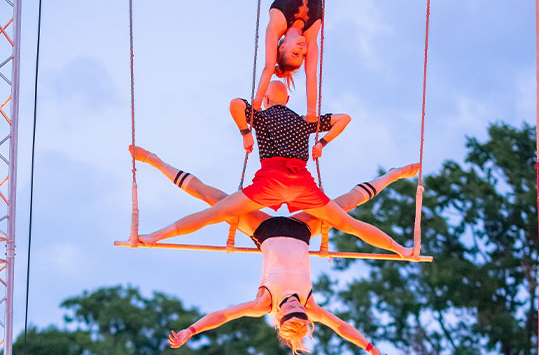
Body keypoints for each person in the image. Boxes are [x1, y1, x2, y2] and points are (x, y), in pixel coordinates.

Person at [128, 145, 416, 355]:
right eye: (299, 310)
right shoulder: (310, 305)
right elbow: (341, 327)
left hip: (264, 231)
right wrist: (371, 348)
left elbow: (224, 315)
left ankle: (156, 161)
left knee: (213, 200)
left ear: (279, 318)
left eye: (290, 310)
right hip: (303, 230)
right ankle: (392, 175)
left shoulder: (263, 303)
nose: (294, 304)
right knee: (348, 205)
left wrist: (190, 331)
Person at [139, 81, 414, 261]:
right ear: (288, 98)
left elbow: (235, 104)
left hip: (271, 182)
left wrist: (246, 132)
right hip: (300, 182)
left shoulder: (262, 115)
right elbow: (345, 119)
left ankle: (156, 233)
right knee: (349, 221)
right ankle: (400, 246)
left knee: (213, 210)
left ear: (267, 98)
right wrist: (321, 143)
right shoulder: (304, 121)